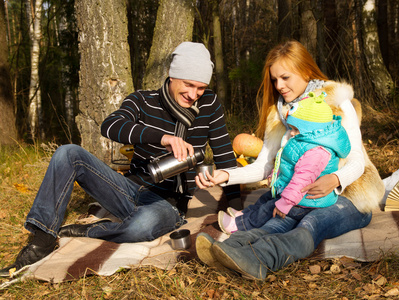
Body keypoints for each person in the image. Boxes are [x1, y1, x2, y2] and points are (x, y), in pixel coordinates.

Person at [0, 42, 241, 278]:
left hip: (168, 203)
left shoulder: (209, 104)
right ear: (171, 75)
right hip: (129, 187)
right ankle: (43, 239)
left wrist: (238, 211)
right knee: (68, 153)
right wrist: (163, 138)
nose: (193, 94)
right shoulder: (143, 100)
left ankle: (93, 230)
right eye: (188, 84)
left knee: (142, 226)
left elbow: (225, 156)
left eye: (200, 87)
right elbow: (110, 126)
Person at [195, 40, 385, 280]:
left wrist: (335, 179)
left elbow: (356, 158)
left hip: (349, 195)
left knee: (311, 223)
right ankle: (228, 250)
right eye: (275, 80)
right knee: (277, 219)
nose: (279, 86)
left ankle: (260, 260)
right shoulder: (281, 111)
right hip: (302, 193)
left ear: (305, 71)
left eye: (285, 78)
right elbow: (264, 165)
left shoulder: (334, 99)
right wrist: (227, 175)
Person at [218, 91, 351, 235]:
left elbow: (301, 181)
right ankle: (245, 215)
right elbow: (289, 163)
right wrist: (275, 175)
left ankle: (239, 225)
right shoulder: (306, 141)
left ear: (310, 130)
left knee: (269, 208)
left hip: (306, 201)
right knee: (266, 197)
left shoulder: (317, 152)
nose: (291, 133)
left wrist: (285, 203)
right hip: (294, 191)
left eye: (295, 129)